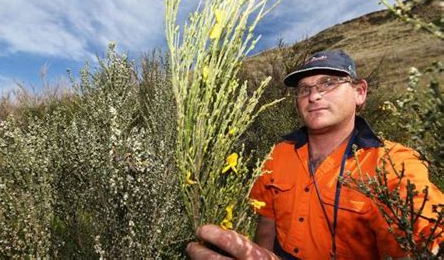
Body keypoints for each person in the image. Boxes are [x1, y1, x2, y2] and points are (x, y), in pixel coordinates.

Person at [186, 49, 443, 259]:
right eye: (304, 89)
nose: (314, 95)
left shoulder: (393, 162)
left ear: (359, 92)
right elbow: (266, 225)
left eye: (329, 83)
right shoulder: (279, 153)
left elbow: (426, 242)